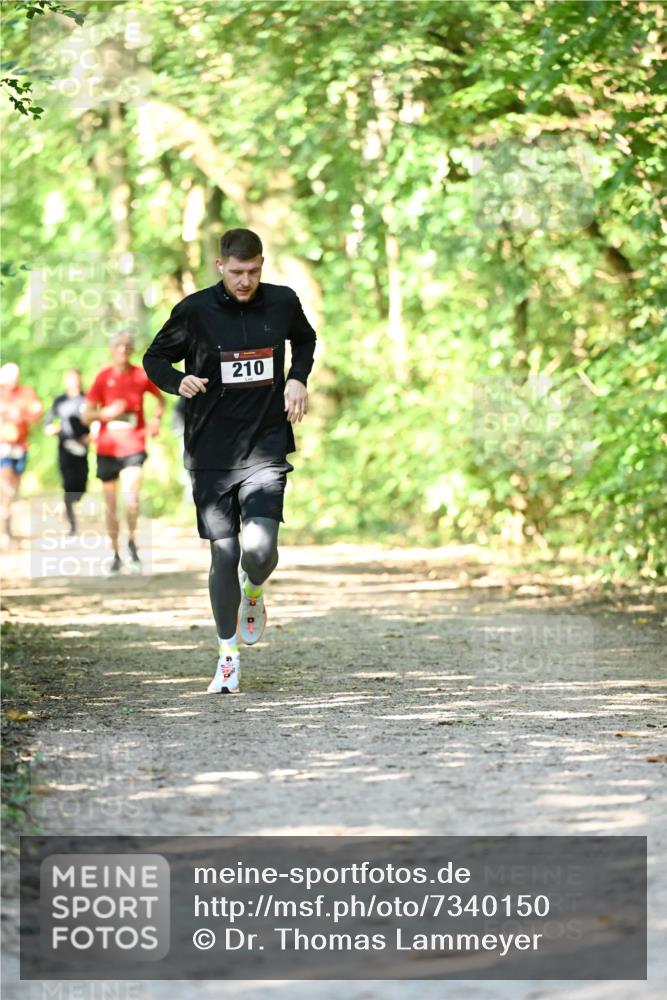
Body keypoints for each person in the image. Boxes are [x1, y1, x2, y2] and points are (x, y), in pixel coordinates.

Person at [143, 228, 316, 694]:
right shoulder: (195, 311)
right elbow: (154, 358)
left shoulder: (281, 302)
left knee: (259, 550)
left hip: (265, 446)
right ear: (220, 266)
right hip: (211, 453)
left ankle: (254, 592)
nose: (245, 281)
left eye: (254, 271)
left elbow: (306, 339)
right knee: (225, 551)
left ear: (263, 264)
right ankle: (227, 657)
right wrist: (177, 381)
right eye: (237, 272)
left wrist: (297, 378)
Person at [84, 329, 164, 575]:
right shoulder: (102, 378)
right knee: (110, 504)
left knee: (131, 499)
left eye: (128, 346)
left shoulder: (141, 376)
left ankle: (132, 543)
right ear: (111, 348)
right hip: (107, 448)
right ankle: (115, 553)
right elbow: (86, 415)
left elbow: (161, 399)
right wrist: (105, 414)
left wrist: (156, 420)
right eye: (119, 345)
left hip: (134, 446)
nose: (123, 349)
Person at [0, 362, 43, 543]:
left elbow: (36, 413)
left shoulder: (25, 392)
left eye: (16, 377)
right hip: (3, 445)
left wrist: (22, 414)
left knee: (14, 489)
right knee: (6, 486)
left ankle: (7, 524)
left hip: (21, 446)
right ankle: (4, 528)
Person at [44, 368, 90, 535]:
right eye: (70, 379)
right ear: (66, 381)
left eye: (76, 379)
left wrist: (91, 436)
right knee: (69, 484)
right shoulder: (60, 401)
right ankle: (72, 523)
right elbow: (48, 423)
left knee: (82, 485)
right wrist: (52, 429)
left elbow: (96, 421)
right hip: (65, 447)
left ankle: (73, 501)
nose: (74, 382)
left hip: (82, 449)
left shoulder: (87, 398)